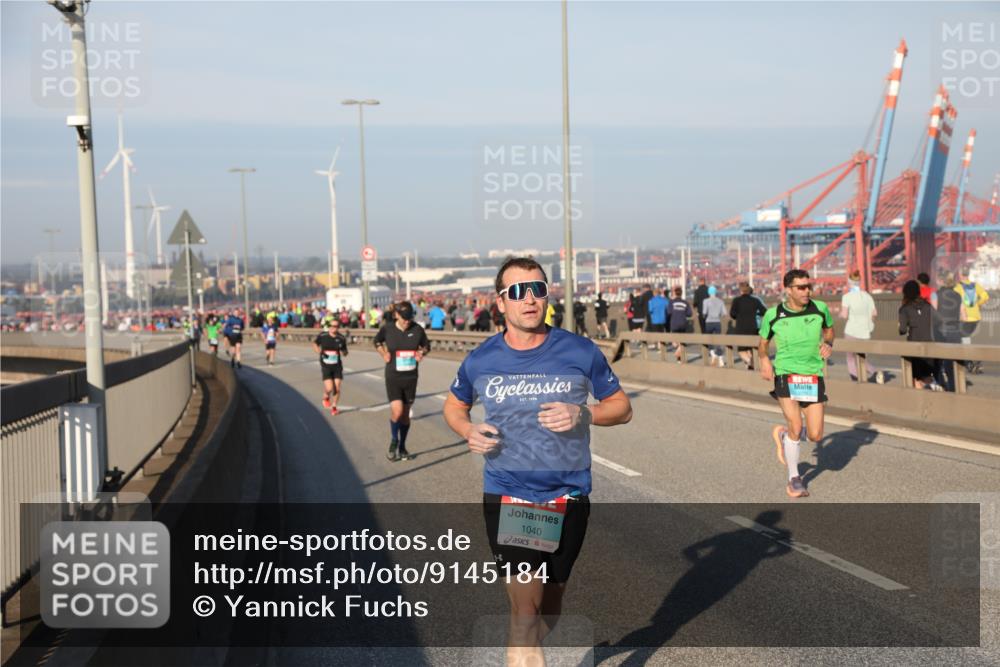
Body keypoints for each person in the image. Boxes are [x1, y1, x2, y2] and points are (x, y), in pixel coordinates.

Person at [442, 257, 632, 665]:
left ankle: (522, 651)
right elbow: (454, 406)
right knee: (525, 611)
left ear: (547, 296)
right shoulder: (482, 359)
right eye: (517, 291)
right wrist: (467, 430)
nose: (529, 299)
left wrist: (584, 413)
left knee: (549, 609)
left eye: (537, 289)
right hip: (510, 493)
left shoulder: (579, 351)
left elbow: (622, 407)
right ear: (500, 302)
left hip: (568, 496)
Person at [758, 269, 835, 499]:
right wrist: (764, 360)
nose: (806, 291)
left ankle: (785, 438)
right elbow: (763, 343)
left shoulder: (820, 309)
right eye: (801, 287)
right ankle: (795, 479)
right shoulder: (773, 314)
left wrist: (828, 344)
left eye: (808, 286)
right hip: (786, 373)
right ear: (788, 290)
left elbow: (829, 331)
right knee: (795, 425)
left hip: (812, 375)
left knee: (816, 435)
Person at [374, 301, 430, 462]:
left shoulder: (417, 329)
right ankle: (394, 441)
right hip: (393, 376)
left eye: (409, 318)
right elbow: (377, 341)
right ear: (396, 315)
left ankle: (403, 447)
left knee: (405, 415)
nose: (407, 321)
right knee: (397, 411)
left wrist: (421, 353)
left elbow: (426, 346)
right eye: (404, 318)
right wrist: (383, 353)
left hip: (411, 377)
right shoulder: (388, 328)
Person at [840, 270, 884, 383]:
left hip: (851, 331)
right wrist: (869, 325)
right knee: (861, 358)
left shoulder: (847, 297)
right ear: (859, 282)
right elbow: (874, 313)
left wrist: (840, 314)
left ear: (849, 282)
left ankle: (855, 378)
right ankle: (875, 372)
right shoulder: (867, 296)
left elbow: (844, 315)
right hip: (865, 332)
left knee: (850, 357)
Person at [898, 280, 941, 391]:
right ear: (918, 291)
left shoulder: (904, 309)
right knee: (927, 375)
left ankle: (920, 398)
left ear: (905, 293)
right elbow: (938, 321)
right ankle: (937, 389)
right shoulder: (928, 305)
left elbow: (902, 330)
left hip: (914, 346)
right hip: (930, 344)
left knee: (917, 378)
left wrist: (902, 326)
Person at [955, 269, 989, 374]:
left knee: (963, 339)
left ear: (960, 275)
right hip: (975, 317)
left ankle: (971, 362)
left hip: (964, 318)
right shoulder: (975, 285)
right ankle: (971, 362)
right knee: (965, 339)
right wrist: (977, 304)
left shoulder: (958, 287)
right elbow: (985, 296)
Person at [934, 271, 964, 392]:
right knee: (953, 362)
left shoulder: (935, 295)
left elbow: (934, 314)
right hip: (955, 331)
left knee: (939, 360)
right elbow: (964, 316)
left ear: (942, 281)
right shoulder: (958, 295)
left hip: (941, 331)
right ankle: (955, 387)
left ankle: (943, 385)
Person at [314, 317, 349, 415]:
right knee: (329, 388)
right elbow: (315, 344)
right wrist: (319, 352)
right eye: (332, 326)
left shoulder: (341, 338)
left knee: (337, 387)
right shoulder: (323, 335)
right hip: (326, 365)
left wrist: (344, 352)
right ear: (329, 327)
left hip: (337, 365)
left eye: (336, 326)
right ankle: (326, 396)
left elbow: (345, 351)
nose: (334, 328)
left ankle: (334, 407)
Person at [730, 282, 767, 370]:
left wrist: (738, 316)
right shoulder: (755, 300)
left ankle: (749, 362)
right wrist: (757, 314)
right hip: (753, 327)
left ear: (741, 290)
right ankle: (750, 366)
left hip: (741, 328)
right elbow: (764, 311)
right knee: (750, 348)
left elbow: (732, 314)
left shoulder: (736, 300)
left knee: (741, 350)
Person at [701, 285, 727, 366]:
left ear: (709, 292)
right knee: (718, 341)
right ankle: (721, 360)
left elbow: (704, 312)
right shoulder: (720, 301)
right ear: (715, 292)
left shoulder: (705, 301)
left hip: (709, 322)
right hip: (717, 322)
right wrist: (718, 314)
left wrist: (704, 316)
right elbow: (724, 313)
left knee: (708, 340)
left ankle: (713, 355)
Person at [667, 286, 692, 362]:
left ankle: (678, 353)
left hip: (674, 323)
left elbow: (669, 312)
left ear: (675, 293)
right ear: (681, 293)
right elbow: (689, 314)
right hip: (683, 323)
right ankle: (679, 359)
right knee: (681, 341)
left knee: (674, 342)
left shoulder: (672, 302)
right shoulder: (685, 303)